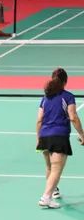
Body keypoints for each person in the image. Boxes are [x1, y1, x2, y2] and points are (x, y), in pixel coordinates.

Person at [36, 67, 84, 209]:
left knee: (49, 167)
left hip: (44, 135)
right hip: (59, 136)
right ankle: (46, 197)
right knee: (56, 168)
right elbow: (73, 117)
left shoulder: (45, 98)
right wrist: (82, 134)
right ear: (65, 81)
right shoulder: (68, 96)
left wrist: (38, 138)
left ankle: (54, 191)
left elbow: (39, 120)